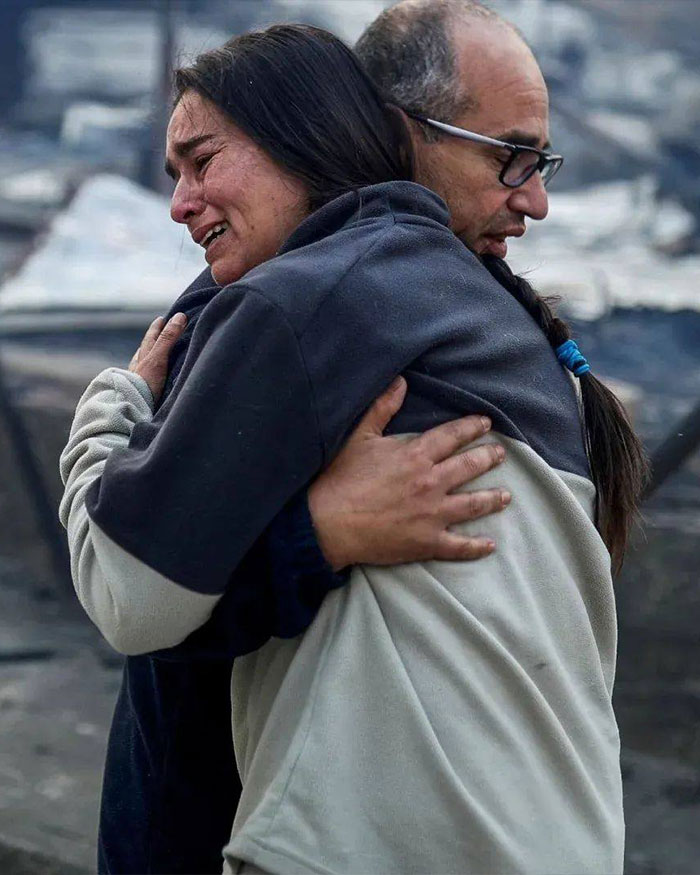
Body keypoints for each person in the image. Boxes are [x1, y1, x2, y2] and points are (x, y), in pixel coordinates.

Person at [59, 16, 647, 875]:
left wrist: (110, 406)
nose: (535, 198)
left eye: (203, 161)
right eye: (508, 156)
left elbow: (135, 597)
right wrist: (318, 533)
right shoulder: (495, 332)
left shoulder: (305, 300)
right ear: (397, 134)